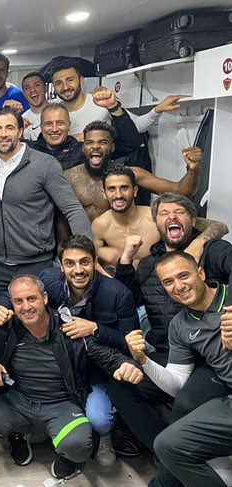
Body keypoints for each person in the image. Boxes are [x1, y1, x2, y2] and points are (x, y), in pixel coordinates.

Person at [0, 274, 143, 482]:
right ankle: (19, 433)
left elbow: (110, 357)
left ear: (44, 298)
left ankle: (66, 457)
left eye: (31, 299)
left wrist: (128, 365)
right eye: (18, 301)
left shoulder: (68, 328)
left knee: (79, 446)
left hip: (61, 402)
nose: (26, 307)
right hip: (20, 399)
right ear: (11, 304)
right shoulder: (4, 326)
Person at [0, 235, 139, 466]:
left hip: (96, 369)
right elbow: (13, 292)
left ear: (94, 262)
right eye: (70, 263)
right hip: (58, 362)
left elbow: (129, 342)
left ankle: (104, 435)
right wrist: (0, 308)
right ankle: (41, 428)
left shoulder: (118, 293)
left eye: (84, 262)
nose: (78, 270)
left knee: (99, 420)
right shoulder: (48, 280)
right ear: (61, 266)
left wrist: (95, 328)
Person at [108, 194, 232, 460]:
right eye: (164, 213)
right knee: (120, 385)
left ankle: (177, 455)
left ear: (193, 220)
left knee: (186, 399)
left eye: (179, 212)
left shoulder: (210, 251)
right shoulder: (150, 265)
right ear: (157, 224)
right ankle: (162, 451)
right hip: (168, 350)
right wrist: (126, 260)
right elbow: (128, 300)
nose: (172, 217)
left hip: (208, 356)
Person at [125, 251, 232, 487]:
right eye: (168, 282)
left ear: (201, 273)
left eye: (184, 276)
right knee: (167, 444)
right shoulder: (180, 325)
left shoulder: (229, 296)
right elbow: (177, 383)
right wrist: (143, 360)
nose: (179, 286)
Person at [0, 106, 91, 308]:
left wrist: (86, 253)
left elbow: (72, 209)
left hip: (37, 264)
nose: (4, 134)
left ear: (20, 131)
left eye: (9, 127)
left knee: (39, 321)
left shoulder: (44, 164)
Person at [66, 120, 201, 222]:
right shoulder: (69, 177)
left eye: (102, 142)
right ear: (83, 147)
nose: (95, 146)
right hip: (81, 247)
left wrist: (193, 169)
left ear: (112, 147)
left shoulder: (131, 174)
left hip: (121, 243)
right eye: (89, 142)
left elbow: (181, 191)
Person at [92, 167, 227, 268]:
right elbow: (93, 263)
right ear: (104, 193)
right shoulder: (100, 225)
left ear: (135, 191)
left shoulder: (155, 216)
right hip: (123, 286)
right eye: (112, 189)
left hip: (158, 283)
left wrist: (198, 243)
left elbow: (220, 226)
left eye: (124, 188)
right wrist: (101, 256)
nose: (118, 195)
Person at [31, 96, 142, 172]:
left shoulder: (82, 149)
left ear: (69, 125)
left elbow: (130, 144)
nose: (54, 129)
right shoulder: (28, 150)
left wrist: (114, 108)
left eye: (60, 123)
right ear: (41, 127)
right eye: (48, 124)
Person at [50, 59, 111, 137]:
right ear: (54, 87)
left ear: (81, 81)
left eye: (70, 80)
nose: (65, 87)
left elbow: (125, 127)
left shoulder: (101, 102)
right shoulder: (50, 110)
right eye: (59, 83)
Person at [20, 72, 48, 141]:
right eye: (27, 88)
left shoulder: (61, 107)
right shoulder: (23, 120)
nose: (32, 90)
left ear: (45, 88)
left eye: (37, 85)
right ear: (23, 94)